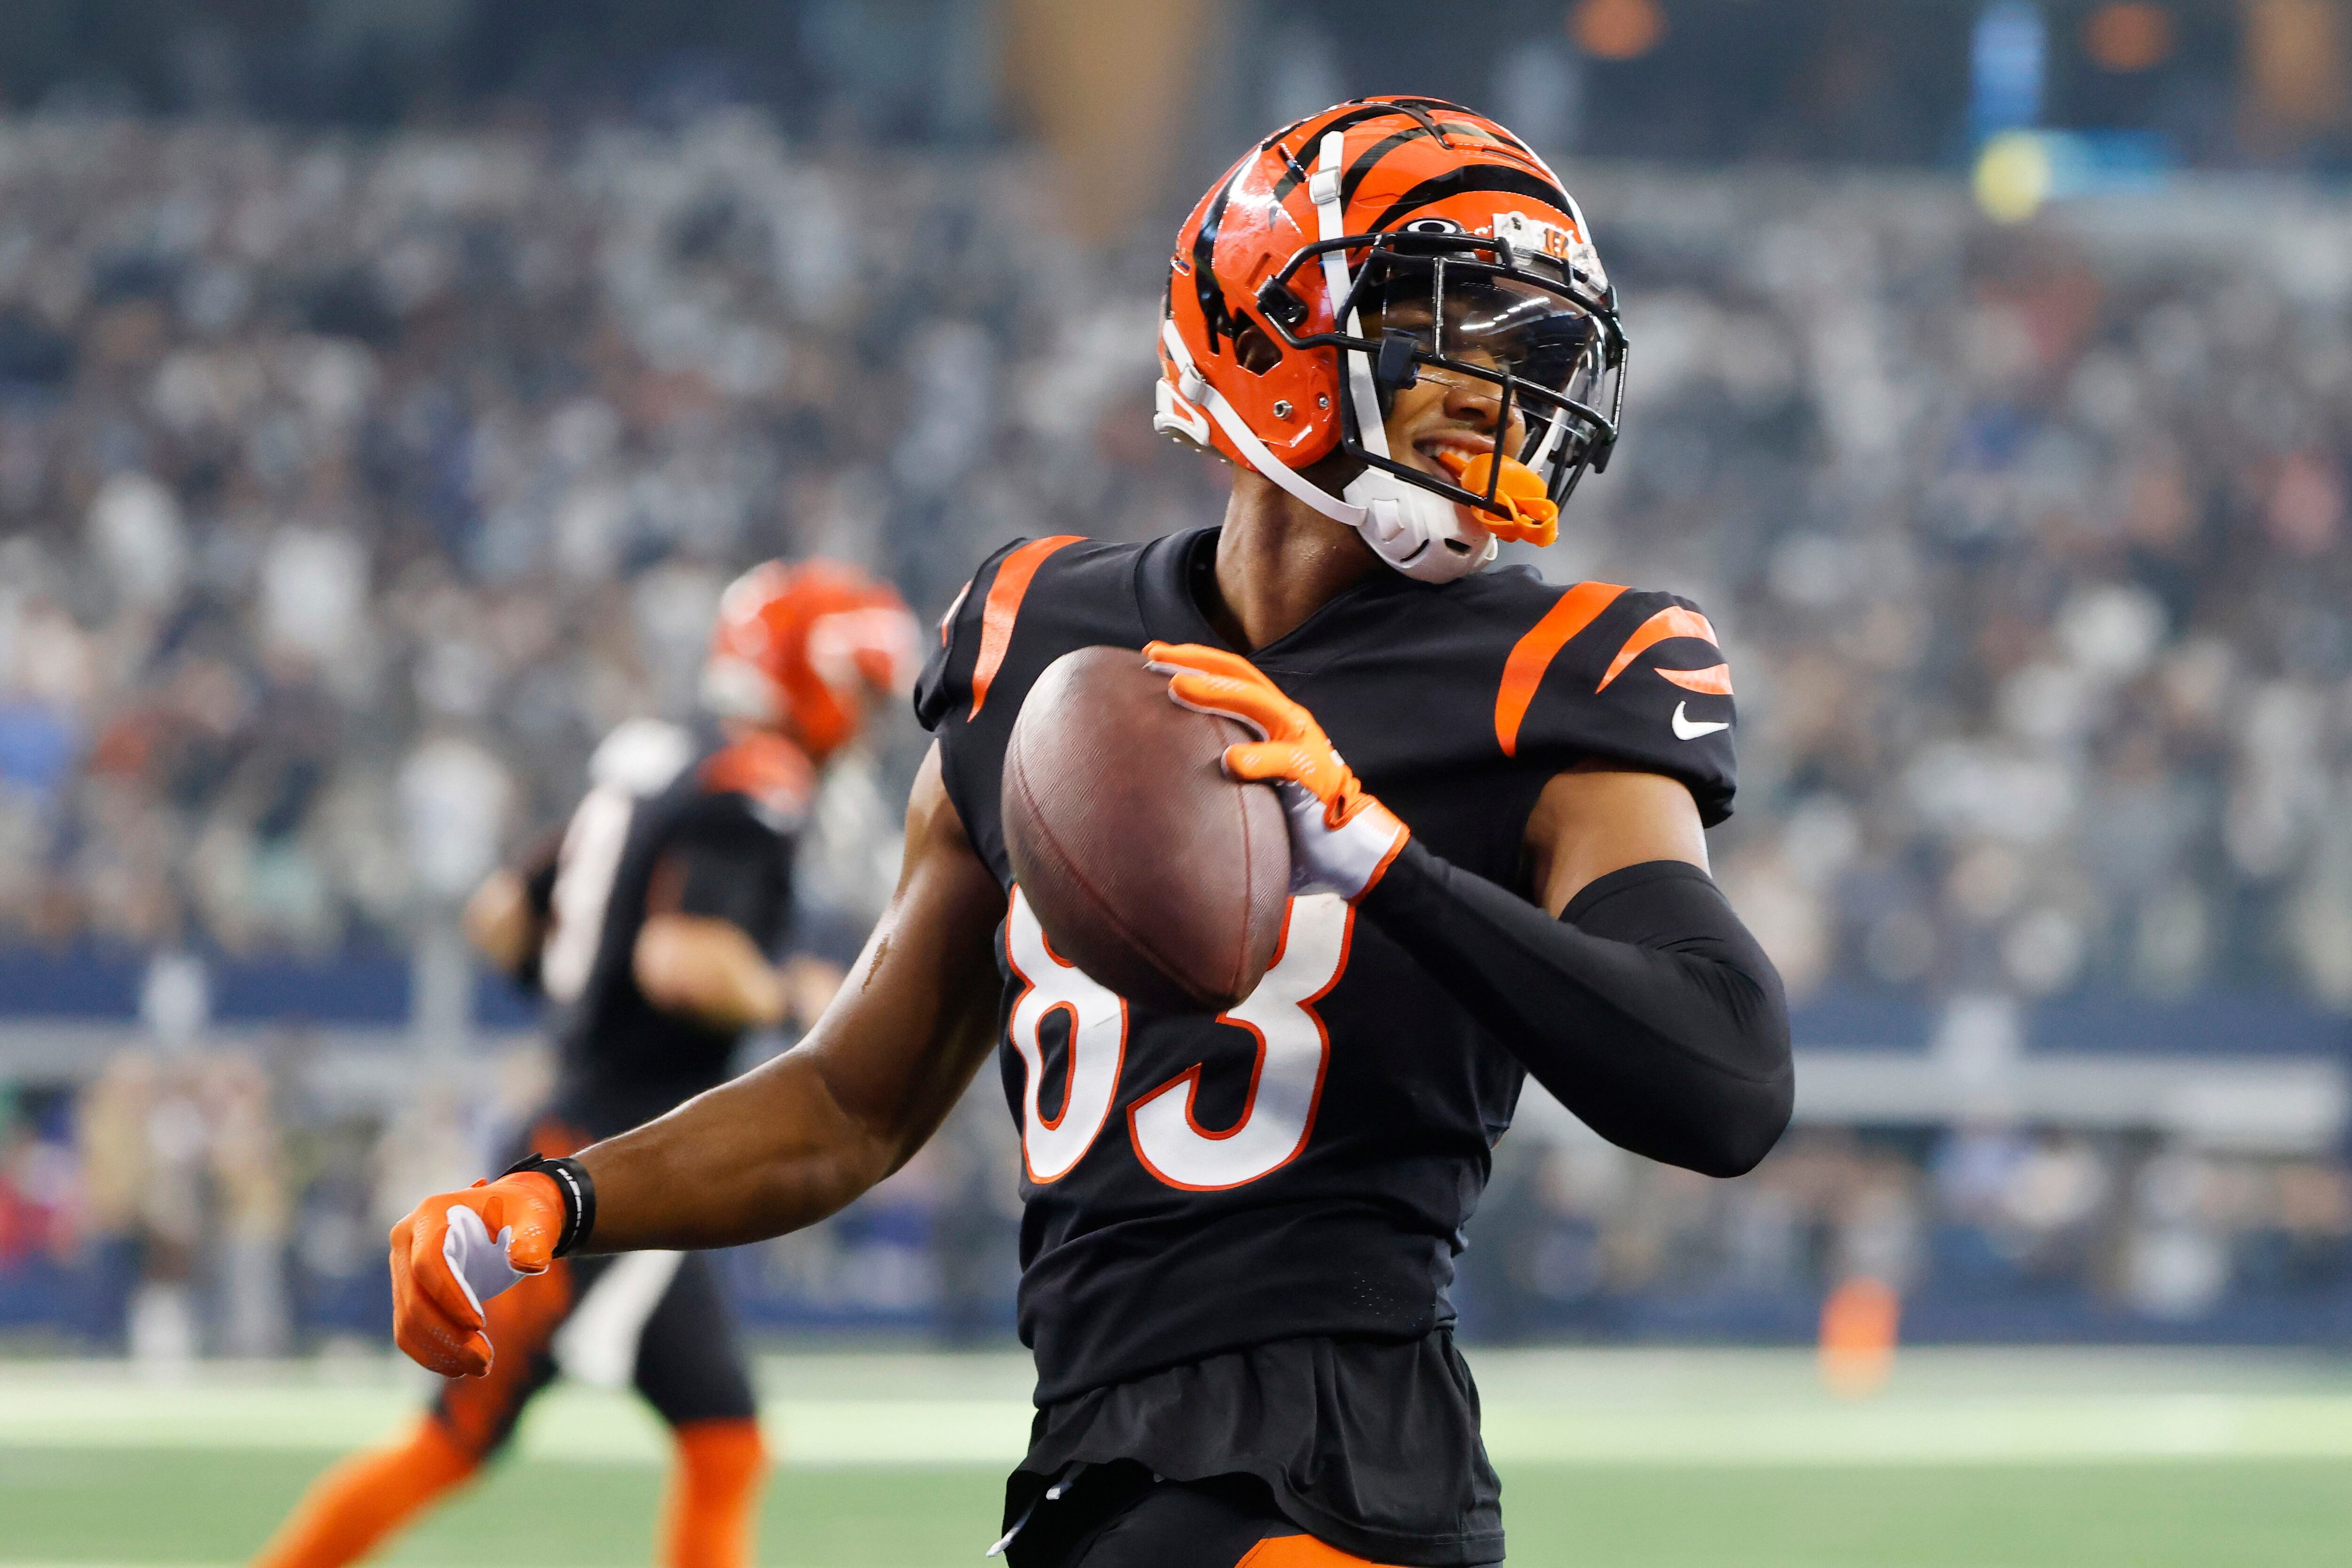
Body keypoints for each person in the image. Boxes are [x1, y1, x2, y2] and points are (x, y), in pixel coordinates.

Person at [385, 97, 1795, 1568]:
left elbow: (1727, 1078)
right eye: (1450, 332)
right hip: (1095, 1459)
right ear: (1277, 324)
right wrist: (560, 1195)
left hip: (1342, 1466)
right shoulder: (1032, 635)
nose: (1497, 396)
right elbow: (853, 1101)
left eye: (1527, 356)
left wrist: (1379, 856)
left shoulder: (1563, 669)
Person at [253, 560, 918, 1568]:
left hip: (610, 1130)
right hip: (604, 1159)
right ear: (811, 676)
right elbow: (681, 957)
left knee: (725, 1440)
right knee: (453, 1442)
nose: (865, 720)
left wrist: (579, 1011)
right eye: (860, 689)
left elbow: (501, 917)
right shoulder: (756, 781)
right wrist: (794, 992)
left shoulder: (653, 758)